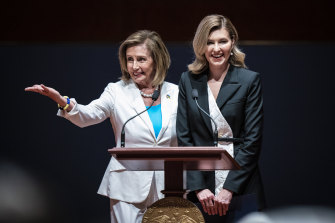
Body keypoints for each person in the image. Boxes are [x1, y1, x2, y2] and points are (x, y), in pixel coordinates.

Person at [25, 30, 179, 223]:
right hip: (126, 183)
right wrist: (62, 101)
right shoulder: (116, 91)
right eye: (129, 59)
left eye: (141, 59)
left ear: (157, 60)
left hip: (169, 185)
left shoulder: (176, 93)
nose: (134, 66)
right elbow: (86, 116)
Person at [176, 14, 265, 222]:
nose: (216, 49)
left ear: (232, 42)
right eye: (209, 42)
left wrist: (229, 188)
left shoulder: (249, 80)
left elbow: (252, 141)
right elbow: (185, 138)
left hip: (242, 183)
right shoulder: (188, 81)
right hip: (202, 190)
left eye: (222, 41)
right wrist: (198, 187)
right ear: (201, 46)